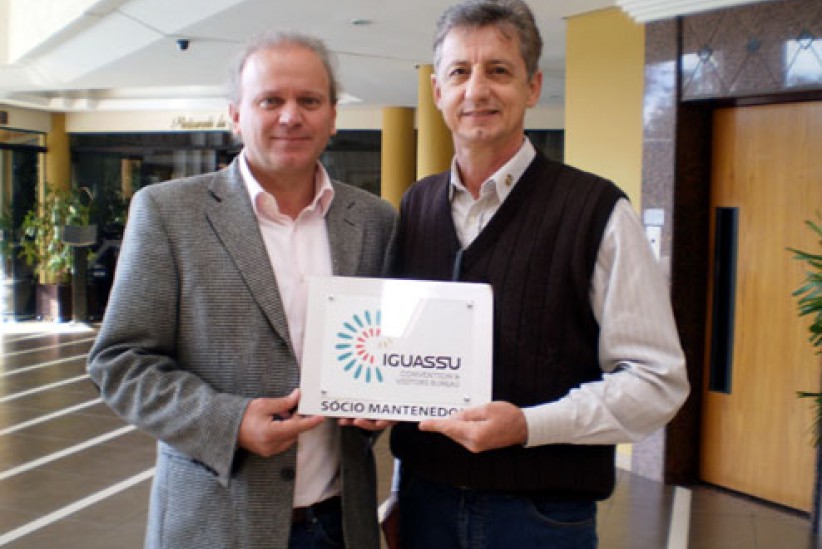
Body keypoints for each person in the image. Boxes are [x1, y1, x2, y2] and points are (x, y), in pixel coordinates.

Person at [387, 0, 690, 547]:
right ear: (437, 91)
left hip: (539, 517)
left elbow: (657, 382)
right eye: (459, 72)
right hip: (425, 504)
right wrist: (395, 489)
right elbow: (401, 354)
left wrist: (530, 425)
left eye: (498, 70)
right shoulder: (416, 206)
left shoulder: (596, 212)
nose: (476, 90)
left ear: (532, 87)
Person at [87, 31, 396, 549]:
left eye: (309, 101)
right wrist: (228, 424)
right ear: (236, 115)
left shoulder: (374, 220)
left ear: (332, 116)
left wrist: (385, 398)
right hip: (216, 523)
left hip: (342, 523)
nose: (291, 116)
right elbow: (118, 361)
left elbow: (384, 345)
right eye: (270, 100)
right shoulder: (168, 212)